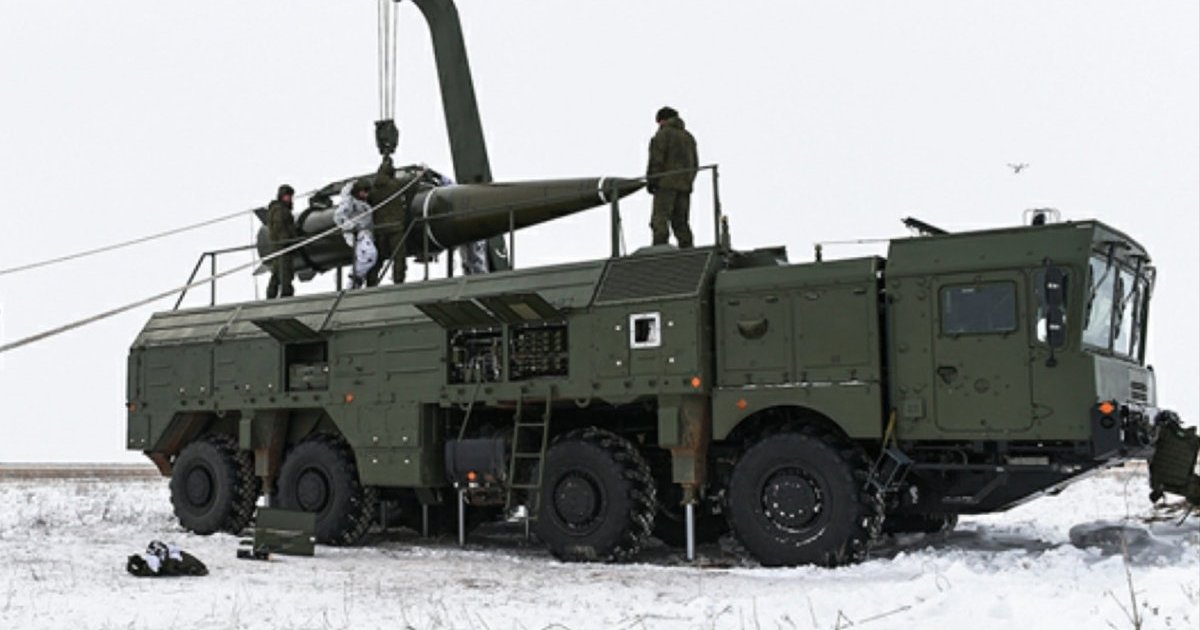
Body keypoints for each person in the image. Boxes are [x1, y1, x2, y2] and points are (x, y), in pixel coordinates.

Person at [645, 106, 698, 248]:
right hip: (684, 187)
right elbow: (695, 164)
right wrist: (688, 181)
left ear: (662, 120)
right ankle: (688, 250)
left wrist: (652, 181)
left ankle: (660, 249)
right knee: (681, 222)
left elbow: (656, 160)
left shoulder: (663, 135)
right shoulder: (689, 138)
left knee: (660, 220)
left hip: (665, 185)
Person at [368, 156, 414, 286]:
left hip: (379, 230)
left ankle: (371, 281)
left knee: (379, 258)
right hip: (395, 227)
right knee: (399, 256)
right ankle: (398, 280)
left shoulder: (373, 189)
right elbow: (411, 184)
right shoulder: (395, 185)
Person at [334, 178, 378, 289]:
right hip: (357, 234)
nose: (366, 194)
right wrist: (352, 227)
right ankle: (354, 279)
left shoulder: (364, 202)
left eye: (368, 191)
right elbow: (339, 217)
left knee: (365, 257)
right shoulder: (350, 202)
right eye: (364, 191)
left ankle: (355, 281)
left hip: (365, 234)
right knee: (370, 254)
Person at [265, 184, 297, 299]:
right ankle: (286, 295)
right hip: (283, 246)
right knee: (285, 272)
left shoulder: (277, 209)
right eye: (287, 196)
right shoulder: (280, 210)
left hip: (279, 246)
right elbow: (280, 227)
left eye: (290, 196)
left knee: (277, 272)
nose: (289, 199)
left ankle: (271, 295)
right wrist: (288, 240)